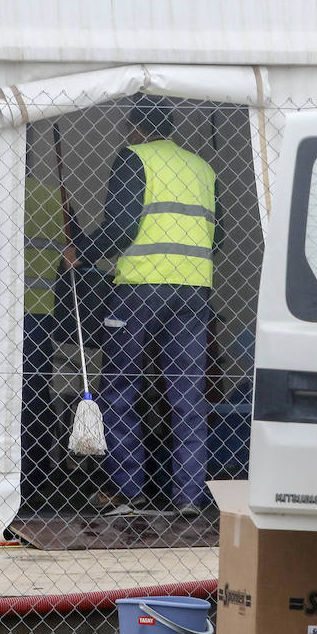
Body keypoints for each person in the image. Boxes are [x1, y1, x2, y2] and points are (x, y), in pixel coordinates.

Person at [71, 94, 221, 518]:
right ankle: (188, 495)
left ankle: (129, 489)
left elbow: (120, 225)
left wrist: (82, 252)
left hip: (139, 287)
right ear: (171, 127)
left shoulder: (133, 158)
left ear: (134, 127)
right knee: (188, 394)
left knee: (120, 389)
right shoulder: (202, 168)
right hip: (193, 290)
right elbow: (220, 236)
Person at [20, 149, 75, 514]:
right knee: (35, 394)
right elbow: (72, 252)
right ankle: (36, 477)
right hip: (40, 311)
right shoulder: (53, 195)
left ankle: (14, 477)